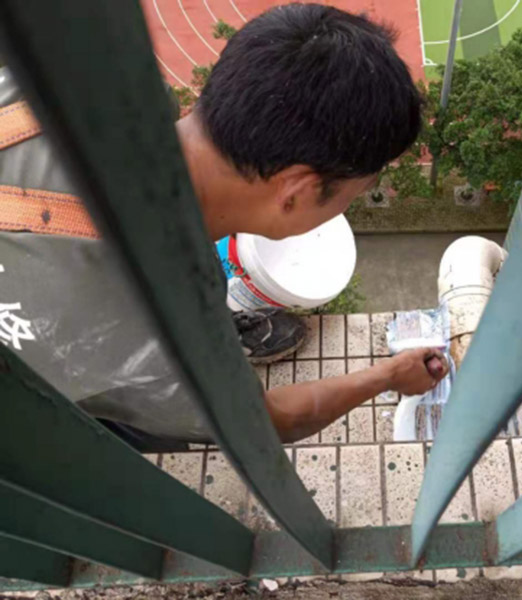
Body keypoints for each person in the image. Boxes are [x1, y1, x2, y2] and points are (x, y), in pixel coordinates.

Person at [0, 3, 447, 448]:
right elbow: (267, 422)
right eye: (359, 190)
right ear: (297, 193)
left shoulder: (92, 80)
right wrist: (389, 375)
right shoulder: (157, 323)